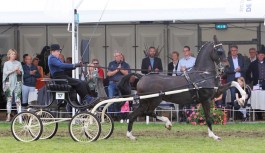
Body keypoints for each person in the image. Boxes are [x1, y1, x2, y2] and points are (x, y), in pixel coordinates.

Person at [107, 51, 130, 119]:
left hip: (121, 84)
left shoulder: (125, 64)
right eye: (116, 56)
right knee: (111, 98)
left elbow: (127, 74)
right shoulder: (111, 64)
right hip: (112, 83)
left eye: (119, 55)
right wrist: (117, 70)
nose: (118, 57)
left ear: (121, 56)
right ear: (114, 57)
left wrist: (121, 69)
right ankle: (111, 115)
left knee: (121, 99)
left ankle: (119, 115)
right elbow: (108, 74)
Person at [2, 49, 23, 122]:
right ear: (9, 55)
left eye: (15, 54)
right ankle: (8, 115)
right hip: (8, 83)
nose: (13, 55)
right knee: (9, 100)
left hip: (17, 83)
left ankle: (20, 117)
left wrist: (18, 71)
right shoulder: (6, 63)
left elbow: (21, 73)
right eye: (12, 54)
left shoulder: (18, 63)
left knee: (18, 100)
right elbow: (5, 73)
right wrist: (14, 70)